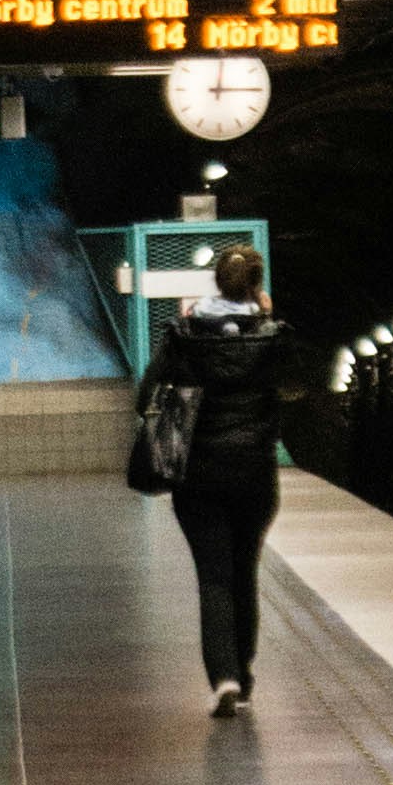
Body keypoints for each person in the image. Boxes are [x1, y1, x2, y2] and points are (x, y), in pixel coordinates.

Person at [150, 236, 307, 712]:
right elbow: (298, 390)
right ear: (257, 285)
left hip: (198, 476)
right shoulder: (275, 335)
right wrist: (267, 320)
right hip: (255, 473)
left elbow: (147, 398)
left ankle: (224, 679)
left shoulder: (184, 334)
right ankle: (244, 669)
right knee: (245, 571)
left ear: (215, 282)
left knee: (213, 576)